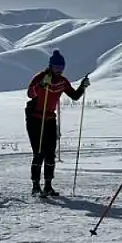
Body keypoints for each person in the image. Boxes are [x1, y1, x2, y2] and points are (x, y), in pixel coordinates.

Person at [26, 50, 89, 196]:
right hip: (35, 118)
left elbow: (74, 96)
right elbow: (30, 94)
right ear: (50, 66)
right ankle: (36, 186)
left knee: (50, 154)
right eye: (56, 66)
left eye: (61, 67)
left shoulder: (62, 81)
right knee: (39, 153)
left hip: (49, 119)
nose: (59, 69)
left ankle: (48, 185)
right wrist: (41, 85)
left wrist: (83, 86)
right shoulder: (41, 77)